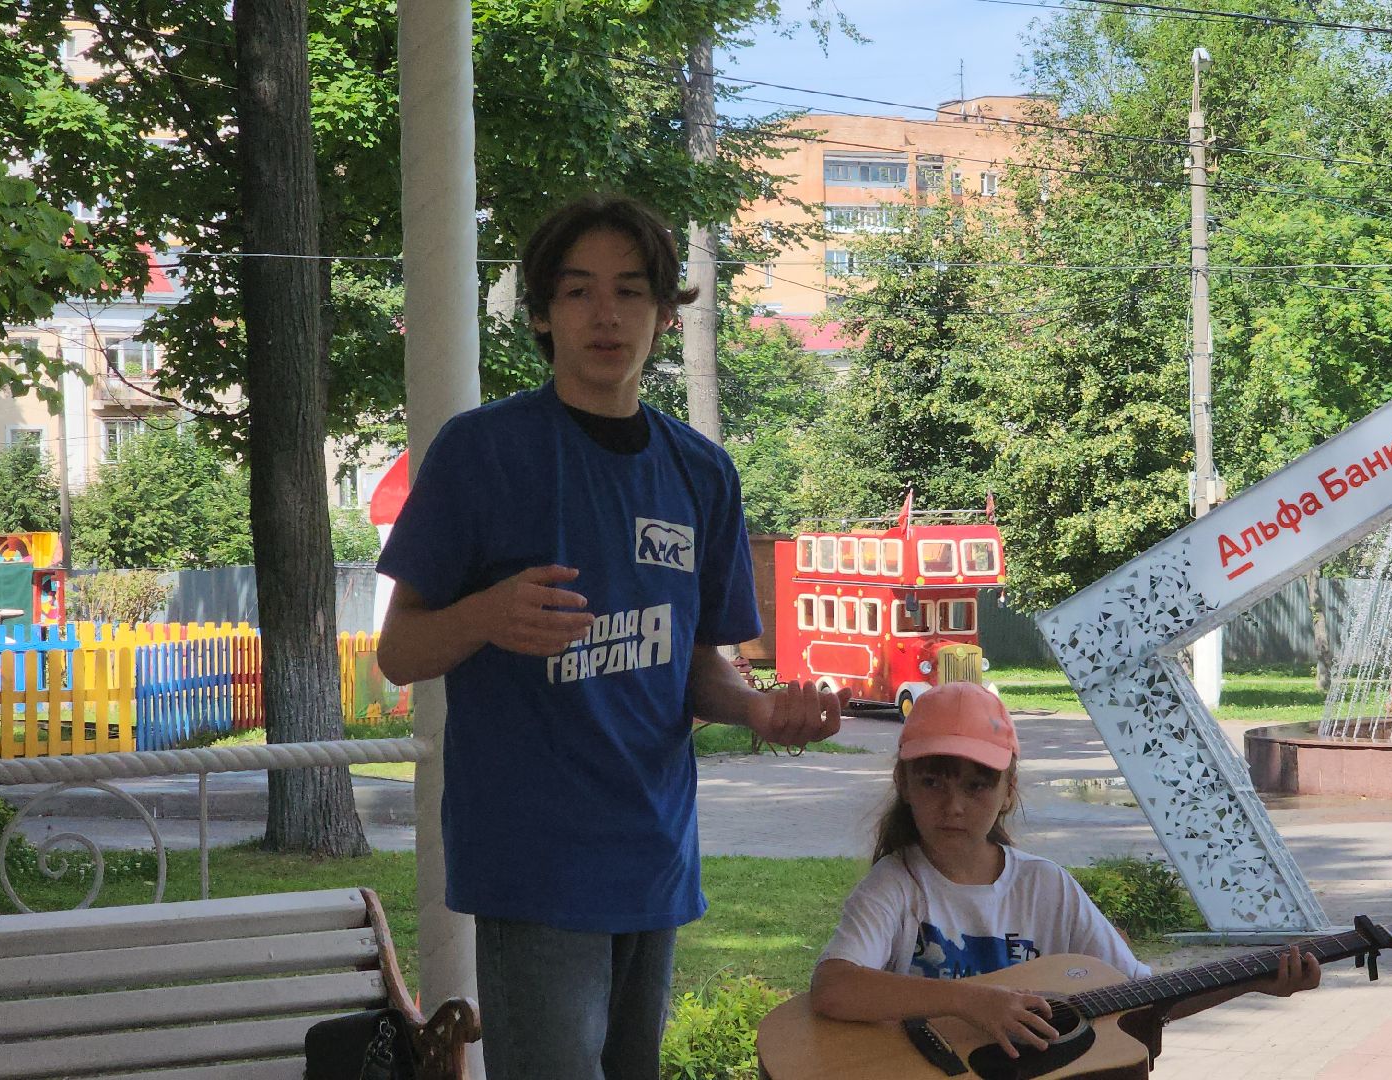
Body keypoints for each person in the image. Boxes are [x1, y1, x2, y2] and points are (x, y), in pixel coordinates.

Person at [375, 193, 844, 1080]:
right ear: (544, 313)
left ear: (666, 315)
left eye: (631, 291)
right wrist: (484, 615)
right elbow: (400, 652)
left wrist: (758, 711)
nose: (606, 313)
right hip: (535, 859)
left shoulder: (700, 472)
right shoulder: (482, 452)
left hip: (655, 856)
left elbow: (698, 670)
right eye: (579, 290)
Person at [809, 682, 1319, 1061]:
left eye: (976, 786)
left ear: (1008, 790)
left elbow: (1142, 994)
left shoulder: (1045, 886)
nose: (954, 806)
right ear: (904, 782)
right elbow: (834, 986)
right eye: (933, 782)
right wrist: (972, 1003)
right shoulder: (897, 886)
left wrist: (1251, 982)